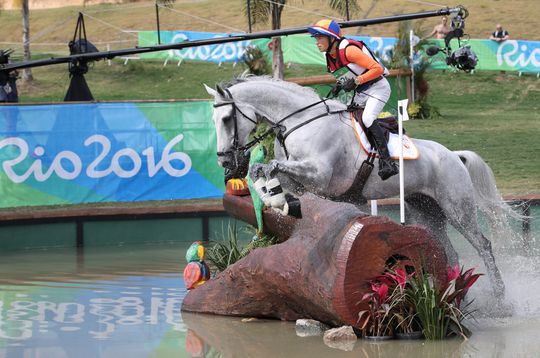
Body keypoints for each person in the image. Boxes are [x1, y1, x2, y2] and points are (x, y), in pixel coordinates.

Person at [308, 19, 398, 181]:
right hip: (362, 91)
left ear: (332, 38)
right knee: (348, 118)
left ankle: (387, 161)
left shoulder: (349, 51)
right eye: (315, 38)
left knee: (368, 118)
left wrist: (356, 81)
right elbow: (348, 73)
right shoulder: (330, 55)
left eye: (320, 37)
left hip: (378, 88)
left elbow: (377, 69)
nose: (317, 42)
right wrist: (339, 85)